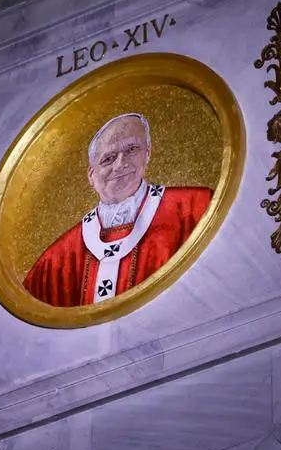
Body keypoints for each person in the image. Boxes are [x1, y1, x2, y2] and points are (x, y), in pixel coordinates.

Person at [23, 113, 213, 307]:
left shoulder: (196, 207)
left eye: (132, 149)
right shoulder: (57, 259)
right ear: (91, 175)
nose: (120, 164)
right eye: (108, 158)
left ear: (147, 153)